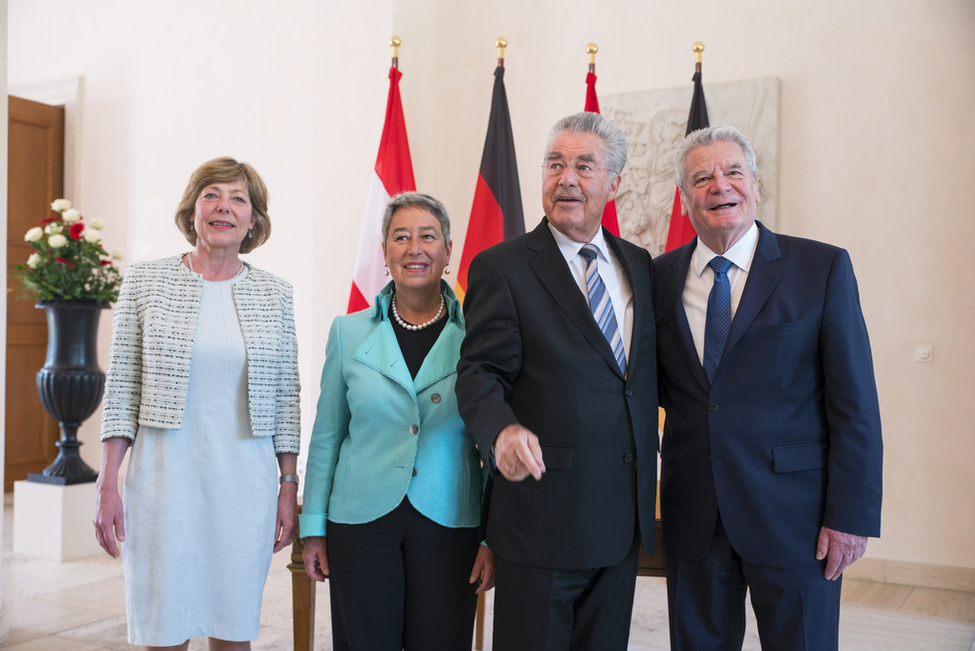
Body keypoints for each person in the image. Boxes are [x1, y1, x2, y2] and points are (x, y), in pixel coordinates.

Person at [654, 125, 883, 651]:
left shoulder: (820, 267)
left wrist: (850, 515)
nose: (720, 185)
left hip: (795, 518)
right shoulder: (658, 277)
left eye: (733, 172)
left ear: (756, 185)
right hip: (694, 518)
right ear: (685, 196)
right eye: (702, 177)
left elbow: (855, 405)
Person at [455, 112, 658, 650]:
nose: (566, 178)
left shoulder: (638, 264)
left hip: (619, 520)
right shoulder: (503, 267)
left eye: (584, 166)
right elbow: (479, 371)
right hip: (542, 519)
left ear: (613, 183)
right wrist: (501, 432)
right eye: (555, 164)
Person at [92, 157, 300, 651]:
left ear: (254, 220)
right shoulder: (145, 282)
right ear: (192, 212)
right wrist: (107, 481)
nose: (223, 207)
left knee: (232, 628)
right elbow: (121, 386)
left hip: (244, 481)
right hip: (164, 480)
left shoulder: (275, 294)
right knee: (163, 627)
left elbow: (286, 398)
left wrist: (288, 486)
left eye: (238, 198)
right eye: (211, 194)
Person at [300, 192, 495, 651]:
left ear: (448, 251)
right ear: (384, 252)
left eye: (428, 236)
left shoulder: (482, 335)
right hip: (360, 519)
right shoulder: (347, 332)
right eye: (401, 237)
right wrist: (314, 527)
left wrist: (494, 537)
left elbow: (493, 441)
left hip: (450, 519)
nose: (415, 248)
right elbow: (327, 434)